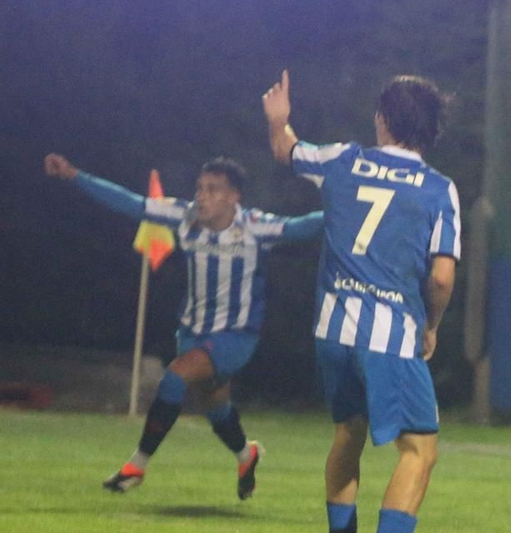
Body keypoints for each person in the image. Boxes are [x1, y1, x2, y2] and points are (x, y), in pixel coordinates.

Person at [262, 70, 460, 533]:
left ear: (382, 119)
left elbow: (286, 149)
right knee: (420, 449)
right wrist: (432, 323)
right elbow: (441, 278)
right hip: (391, 335)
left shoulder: (342, 161)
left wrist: (279, 121)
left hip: (332, 330)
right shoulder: (440, 190)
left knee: (348, 432)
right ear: (431, 131)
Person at [43, 152, 322, 498]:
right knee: (217, 409)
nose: (202, 196)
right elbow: (131, 204)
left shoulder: (254, 226)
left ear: (234, 197)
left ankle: (137, 466)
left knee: (173, 378)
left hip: (235, 336)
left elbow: (304, 226)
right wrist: (75, 174)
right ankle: (245, 455)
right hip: (193, 332)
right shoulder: (185, 216)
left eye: (213, 189)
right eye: (200, 188)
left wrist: (349, 208)